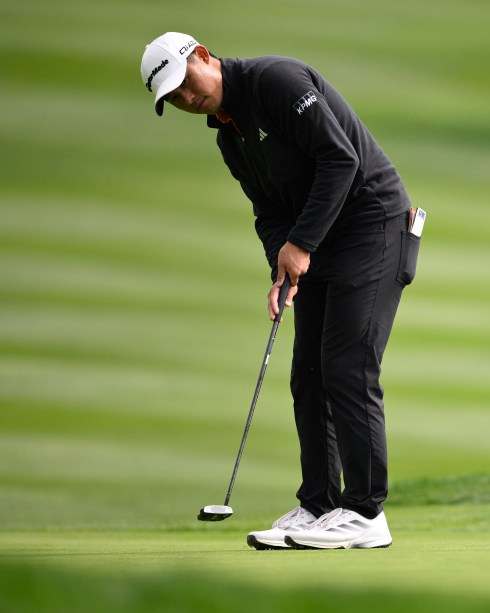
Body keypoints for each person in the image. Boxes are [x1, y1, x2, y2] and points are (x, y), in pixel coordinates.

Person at [140, 32, 421, 550]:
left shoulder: (275, 81)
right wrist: (282, 264)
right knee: (308, 374)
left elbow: (341, 161)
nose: (185, 99)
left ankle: (365, 513)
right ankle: (319, 504)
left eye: (185, 84)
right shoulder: (230, 138)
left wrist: (301, 243)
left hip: (374, 224)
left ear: (204, 56)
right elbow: (268, 211)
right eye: (173, 99)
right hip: (322, 242)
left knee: (346, 366)